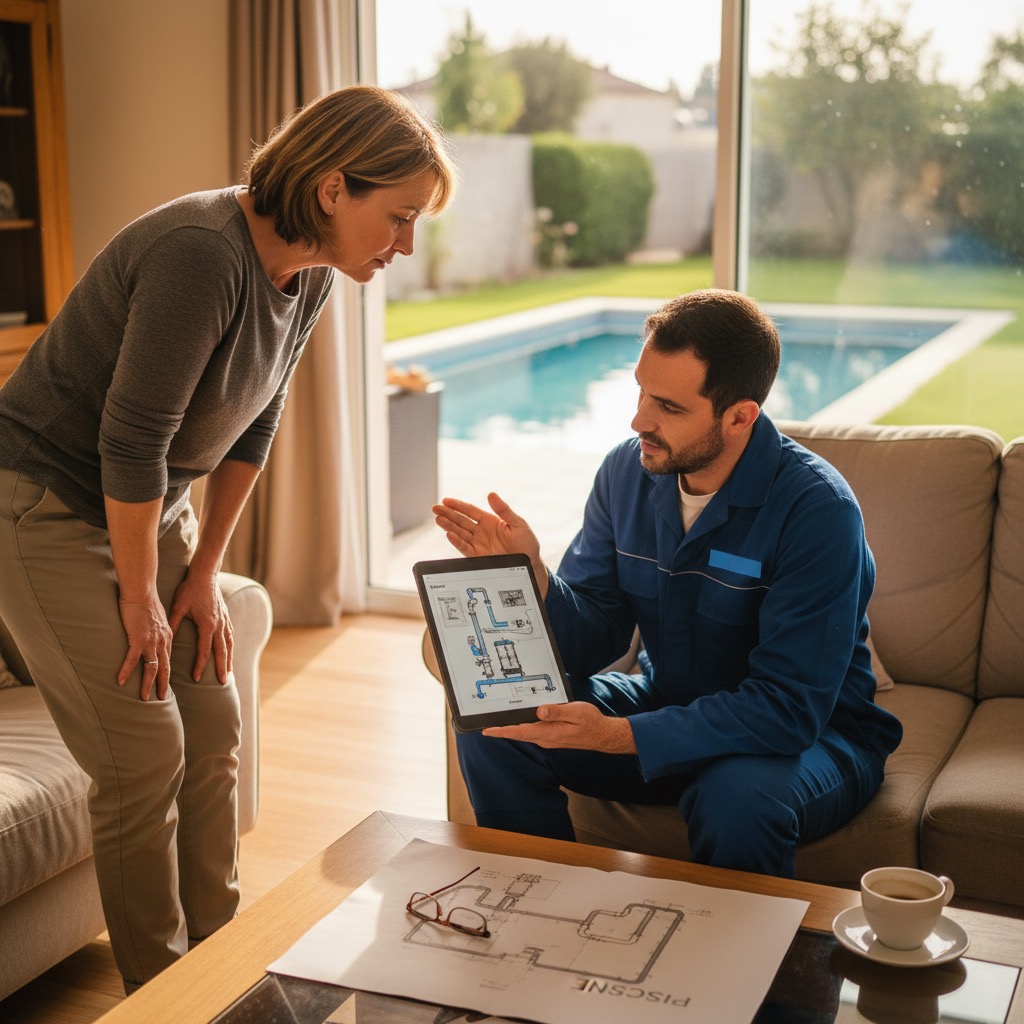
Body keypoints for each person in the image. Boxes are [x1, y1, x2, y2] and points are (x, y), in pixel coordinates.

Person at [0, 85, 456, 991]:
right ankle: (166, 998)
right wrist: (140, 600)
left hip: (144, 503)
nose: (404, 247)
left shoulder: (315, 273)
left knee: (212, 720)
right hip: (43, 505)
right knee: (143, 751)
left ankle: (225, 968)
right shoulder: (199, 254)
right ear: (333, 189)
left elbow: (255, 422)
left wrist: (202, 572)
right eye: (398, 219)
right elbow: (129, 440)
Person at [433, 288, 903, 878]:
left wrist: (621, 737)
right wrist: (538, 582)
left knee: (738, 802)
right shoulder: (626, 472)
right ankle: (535, 902)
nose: (639, 421)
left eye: (669, 407)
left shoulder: (819, 511)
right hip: (668, 701)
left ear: (740, 417)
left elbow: (788, 710)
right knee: (500, 717)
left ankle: (744, 969)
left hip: (813, 738)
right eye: (640, 391)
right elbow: (597, 635)